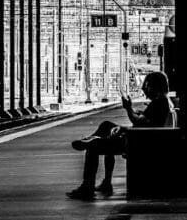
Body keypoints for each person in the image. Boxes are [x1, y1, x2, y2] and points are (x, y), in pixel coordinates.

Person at [66, 71, 173, 200]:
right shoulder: (162, 101)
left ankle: (87, 187)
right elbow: (145, 123)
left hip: (138, 142)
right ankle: (92, 146)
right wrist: (124, 126)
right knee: (107, 126)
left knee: (94, 146)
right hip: (143, 138)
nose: (144, 89)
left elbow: (139, 122)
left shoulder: (159, 102)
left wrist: (128, 109)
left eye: (147, 85)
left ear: (155, 86)